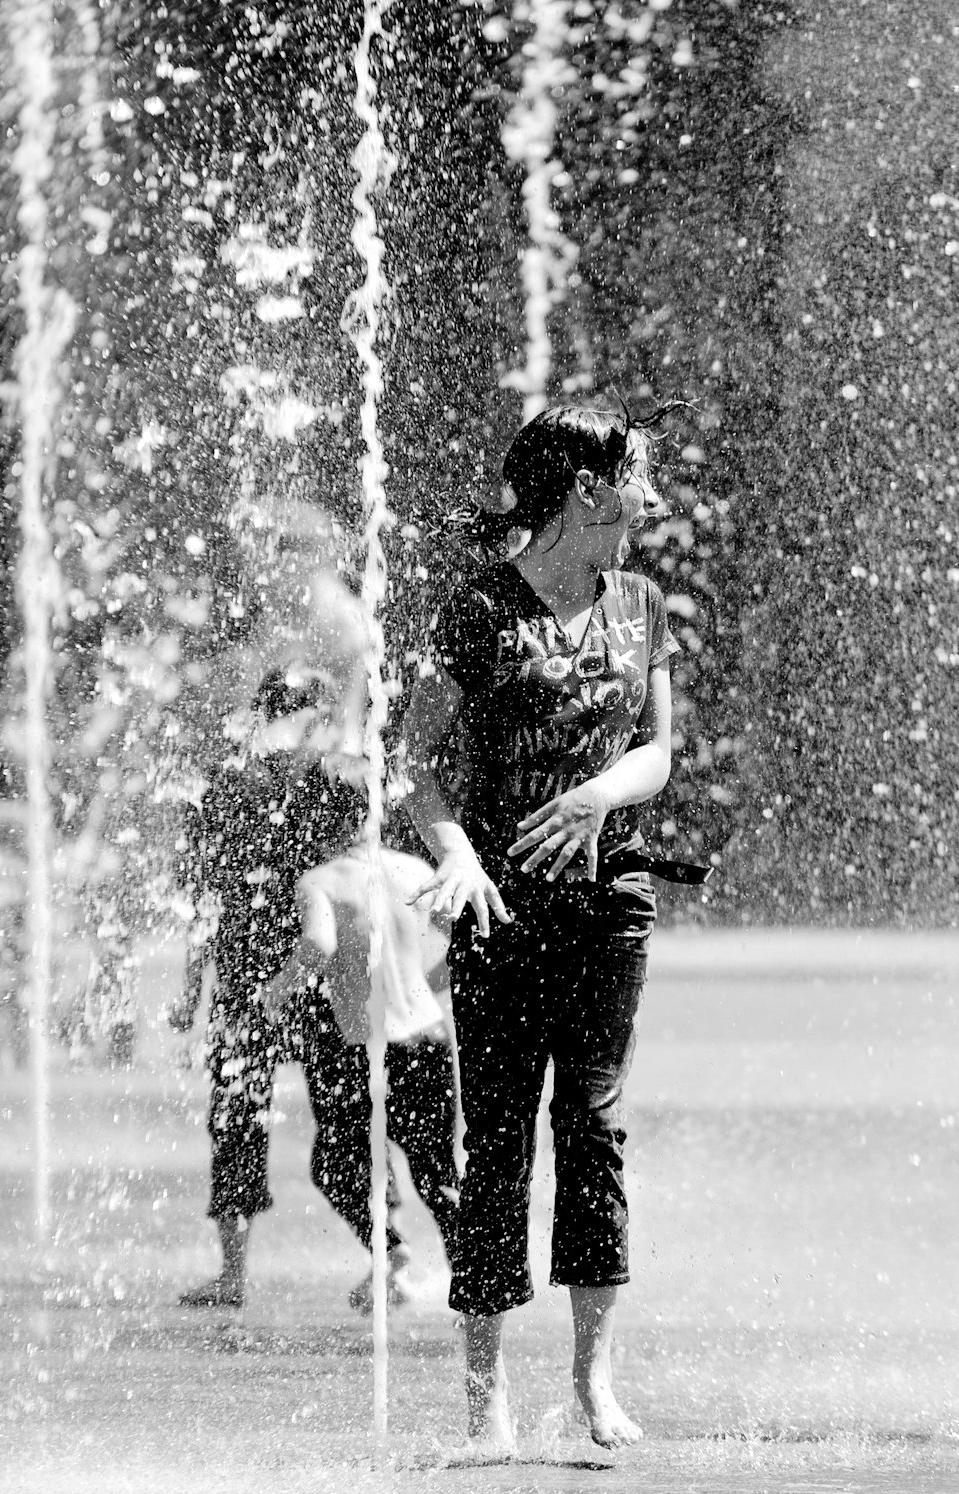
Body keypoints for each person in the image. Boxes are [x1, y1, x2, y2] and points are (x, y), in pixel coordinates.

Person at [403, 402, 682, 1452]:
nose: (648, 497)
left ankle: (591, 1382)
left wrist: (598, 794)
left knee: (595, 1128)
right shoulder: (476, 609)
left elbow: (658, 755)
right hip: (500, 909)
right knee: (501, 1138)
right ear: (585, 486)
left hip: (611, 902)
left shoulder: (644, 602)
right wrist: (461, 859)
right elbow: (417, 766)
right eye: (635, 476)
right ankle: (485, 1396)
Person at [173, 669, 415, 1310]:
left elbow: (206, 901)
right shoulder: (341, 772)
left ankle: (231, 1275)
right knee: (347, 1125)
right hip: (318, 982)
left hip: (247, 979)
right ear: (316, 709)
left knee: (236, 1120)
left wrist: (189, 990)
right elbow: (369, 872)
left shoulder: (228, 782)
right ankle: (387, 1254)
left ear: (260, 709)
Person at [265, 841, 460, 1302]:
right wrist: (423, 987)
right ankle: (473, 1285)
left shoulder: (321, 881)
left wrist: (274, 994)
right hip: (428, 1036)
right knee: (439, 1176)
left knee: (334, 1164)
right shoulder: (415, 870)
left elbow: (318, 943)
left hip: (367, 1046)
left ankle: (390, 1248)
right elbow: (462, 944)